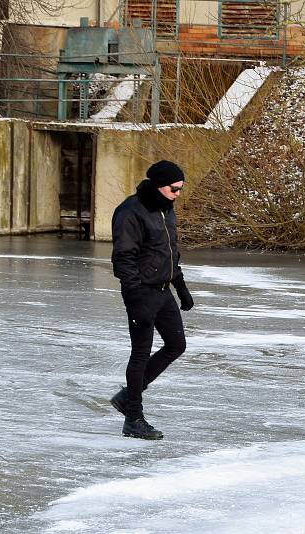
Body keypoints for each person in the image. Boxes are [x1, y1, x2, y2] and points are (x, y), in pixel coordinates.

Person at [108, 160, 194, 440]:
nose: (178, 194)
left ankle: (127, 397)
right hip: (141, 292)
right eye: (174, 188)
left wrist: (180, 286)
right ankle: (133, 418)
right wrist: (134, 297)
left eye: (181, 188)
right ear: (159, 185)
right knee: (140, 353)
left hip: (162, 290)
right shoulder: (130, 211)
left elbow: (171, 252)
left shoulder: (165, 209)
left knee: (176, 344)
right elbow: (123, 258)